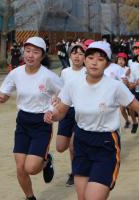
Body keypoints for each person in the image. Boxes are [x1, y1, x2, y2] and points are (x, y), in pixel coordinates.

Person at [44, 41, 139, 200]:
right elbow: (61, 111)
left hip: (106, 144)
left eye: (100, 59)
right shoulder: (73, 85)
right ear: (85, 60)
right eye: (91, 57)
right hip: (81, 142)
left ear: (107, 64)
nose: (94, 62)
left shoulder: (115, 87)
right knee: (82, 197)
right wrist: (52, 115)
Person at [0, 37, 63, 200]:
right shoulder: (15, 73)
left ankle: (46, 161)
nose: (30, 55)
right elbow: (5, 91)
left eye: (35, 52)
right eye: (28, 51)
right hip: (23, 122)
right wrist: (2, 98)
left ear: (42, 55)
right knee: (20, 168)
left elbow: (64, 95)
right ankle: (30, 197)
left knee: (31, 168)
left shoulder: (48, 76)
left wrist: (52, 109)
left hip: (41, 123)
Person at [57, 43, 87, 187]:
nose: (77, 56)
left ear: (85, 57)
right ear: (70, 56)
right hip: (66, 111)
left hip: (82, 112)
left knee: (73, 146)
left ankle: (75, 172)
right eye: (74, 53)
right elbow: (61, 91)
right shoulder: (65, 72)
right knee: (60, 147)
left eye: (81, 53)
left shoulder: (88, 72)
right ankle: (46, 160)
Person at [116, 52, 132, 128]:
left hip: (127, 92)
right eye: (119, 59)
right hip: (119, 93)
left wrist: (126, 74)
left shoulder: (127, 69)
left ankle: (134, 121)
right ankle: (127, 121)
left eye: (123, 60)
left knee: (131, 109)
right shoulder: (114, 68)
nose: (121, 61)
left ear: (125, 61)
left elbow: (129, 80)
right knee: (122, 110)